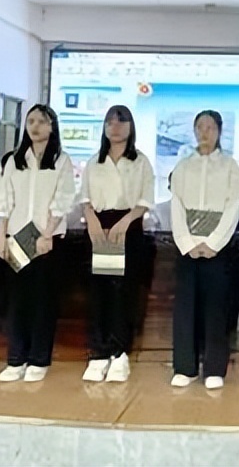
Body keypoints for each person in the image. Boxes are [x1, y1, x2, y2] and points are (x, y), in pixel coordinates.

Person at [0, 104, 77, 383]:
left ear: (52, 126)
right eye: (31, 121)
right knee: (17, 301)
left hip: (47, 239)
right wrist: (2, 236)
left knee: (43, 301)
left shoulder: (61, 160)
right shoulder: (15, 160)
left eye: (42, 121)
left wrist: (47, 233)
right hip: (17, 237)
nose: (35, 126)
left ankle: (39, 359)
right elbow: (4, 198)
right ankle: (16, 358)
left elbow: (63, 198)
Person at [81, 105, 155, 384]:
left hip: (127, 229)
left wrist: (126, 222)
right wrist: (91, 220)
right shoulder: (94, 162)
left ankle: (120, 353)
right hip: (99, 229)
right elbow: (85, 198)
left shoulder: (140, 161)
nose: (115, 127)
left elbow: (145, 200)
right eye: (110, 122)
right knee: (99, 292)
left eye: (121, 122)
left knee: (124, 293)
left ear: (130, 127)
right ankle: (99, 353)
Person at [169, 110, 239, 390]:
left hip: (217, 249)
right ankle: (185, 367)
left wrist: (213, 243)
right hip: (187, 248)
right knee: (186, 308)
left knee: (216, 309)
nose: (204, 132)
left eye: (210, 127)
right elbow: (177, 205)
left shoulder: (230, 166)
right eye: (200, 127)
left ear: (219, 131)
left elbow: (233, 206)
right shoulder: (183, 167)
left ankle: (214, 368)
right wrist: (188, 243)